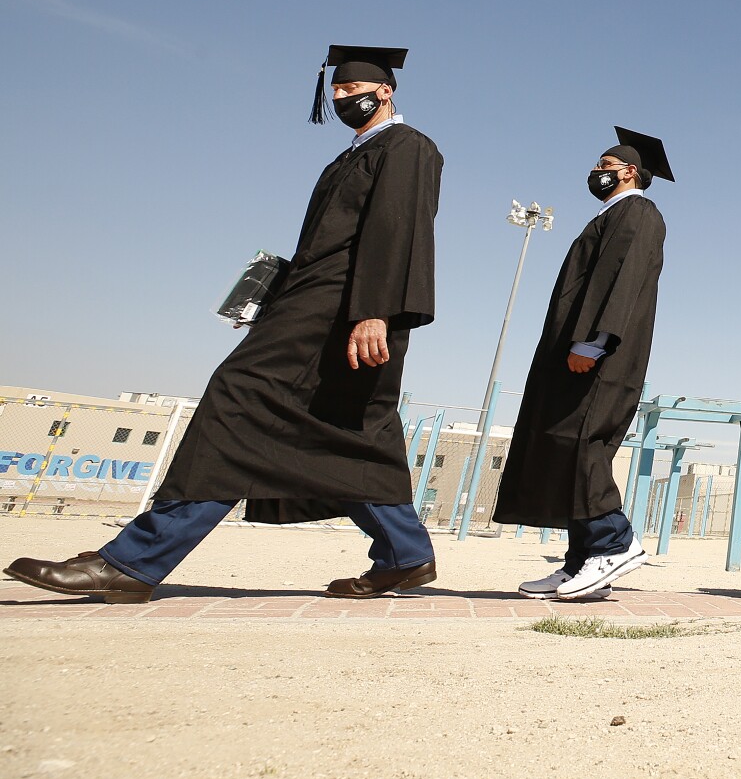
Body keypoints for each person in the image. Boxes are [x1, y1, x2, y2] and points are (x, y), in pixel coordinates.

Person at [9, 46, 442, 602]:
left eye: (350, 88)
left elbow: (397, 230)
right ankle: (405, 554)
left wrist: (374, 311)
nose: (341, 98)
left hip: (343, 308)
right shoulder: (350, 155)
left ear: (384, 90)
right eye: (334, 91)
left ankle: (136, 561)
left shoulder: (407, 147)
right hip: (313, 301)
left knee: (237, 399)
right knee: (352, 427)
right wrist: (272, 296)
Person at [495, 128, 670, 601]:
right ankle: (581, 564)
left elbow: (622, 280)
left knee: (583, 444)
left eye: (605, 165)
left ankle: (616, 541)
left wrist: (594, 342)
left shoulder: (639, 212)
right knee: (561, 445)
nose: (597, 172)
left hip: (601, 357)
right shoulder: (609, 214)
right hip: (574, 352)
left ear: (630, 171)